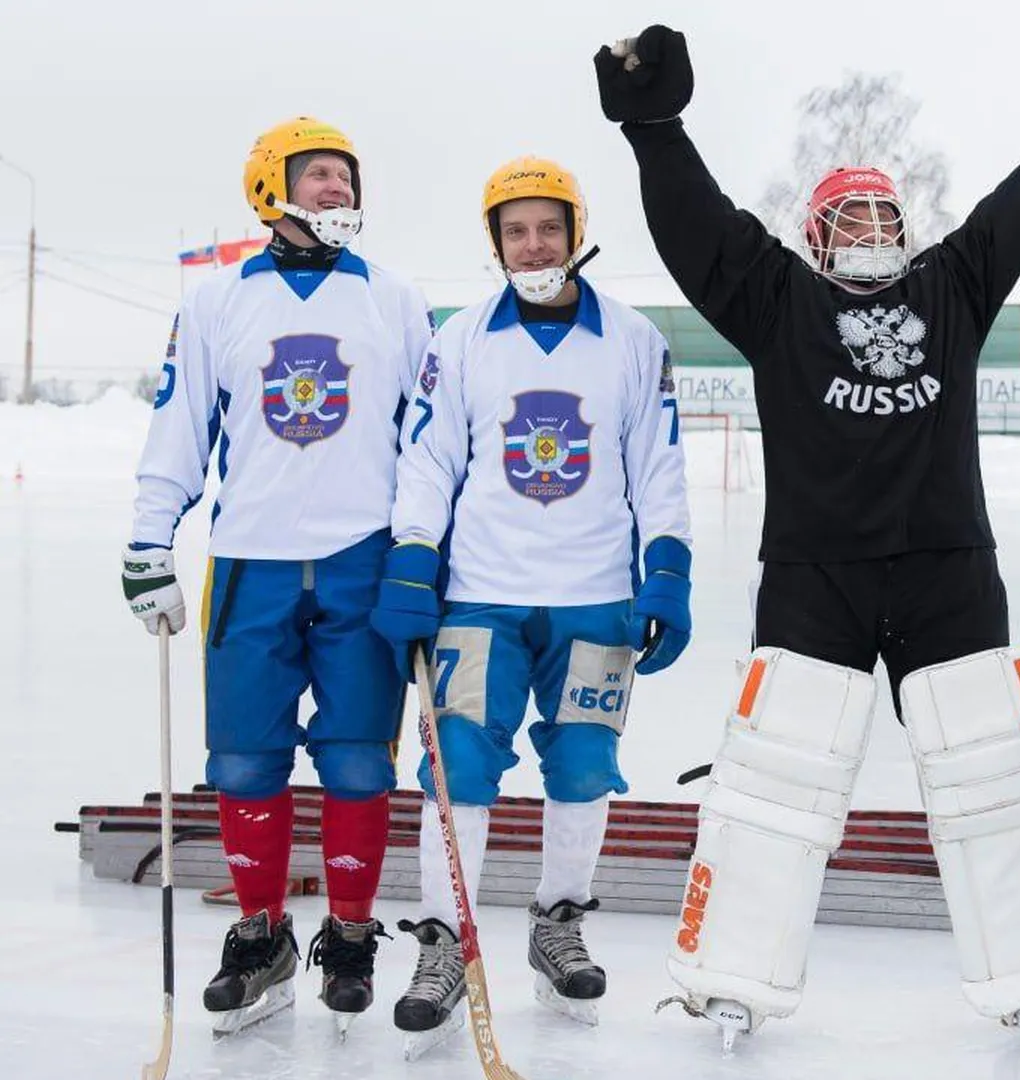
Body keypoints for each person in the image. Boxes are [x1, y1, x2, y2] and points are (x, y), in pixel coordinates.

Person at [590, 23, 1020, 1043]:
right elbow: (699, 229)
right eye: (847, 214)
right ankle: (734, 976)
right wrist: (657, 128)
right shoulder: (778, 302)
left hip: (949, 569)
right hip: (817, 574)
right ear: (815, 237)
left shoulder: (953, 286)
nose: (868, 225)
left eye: (883, 212)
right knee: (772, 784)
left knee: (998, 780)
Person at [121, 116, 432, 1034]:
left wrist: (421, 545)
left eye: (348, 177)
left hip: (363, 561)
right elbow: (179, 428)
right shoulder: (218, 301)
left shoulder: (396, 298)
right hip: (251, 563)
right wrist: (149, 540)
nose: (341, 189)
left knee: (357, 763)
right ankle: (260, 938)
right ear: (272, 185)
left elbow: (428, 438)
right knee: (245, 760)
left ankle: (347, 936)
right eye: (322, 174)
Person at [369, 156, 691, 1043]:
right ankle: (444, 940)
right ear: (495, 242)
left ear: (577, 231)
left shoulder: (633, 338)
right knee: (459, 769)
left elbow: (658, 465)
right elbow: (430, 459)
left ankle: (558, 926)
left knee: (585, 768)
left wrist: (667, 568)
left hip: (595, 601)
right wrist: (411, 558)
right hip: (482, 597)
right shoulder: (460, 338)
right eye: (516, 230)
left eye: (549, 226)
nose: (534, 243)